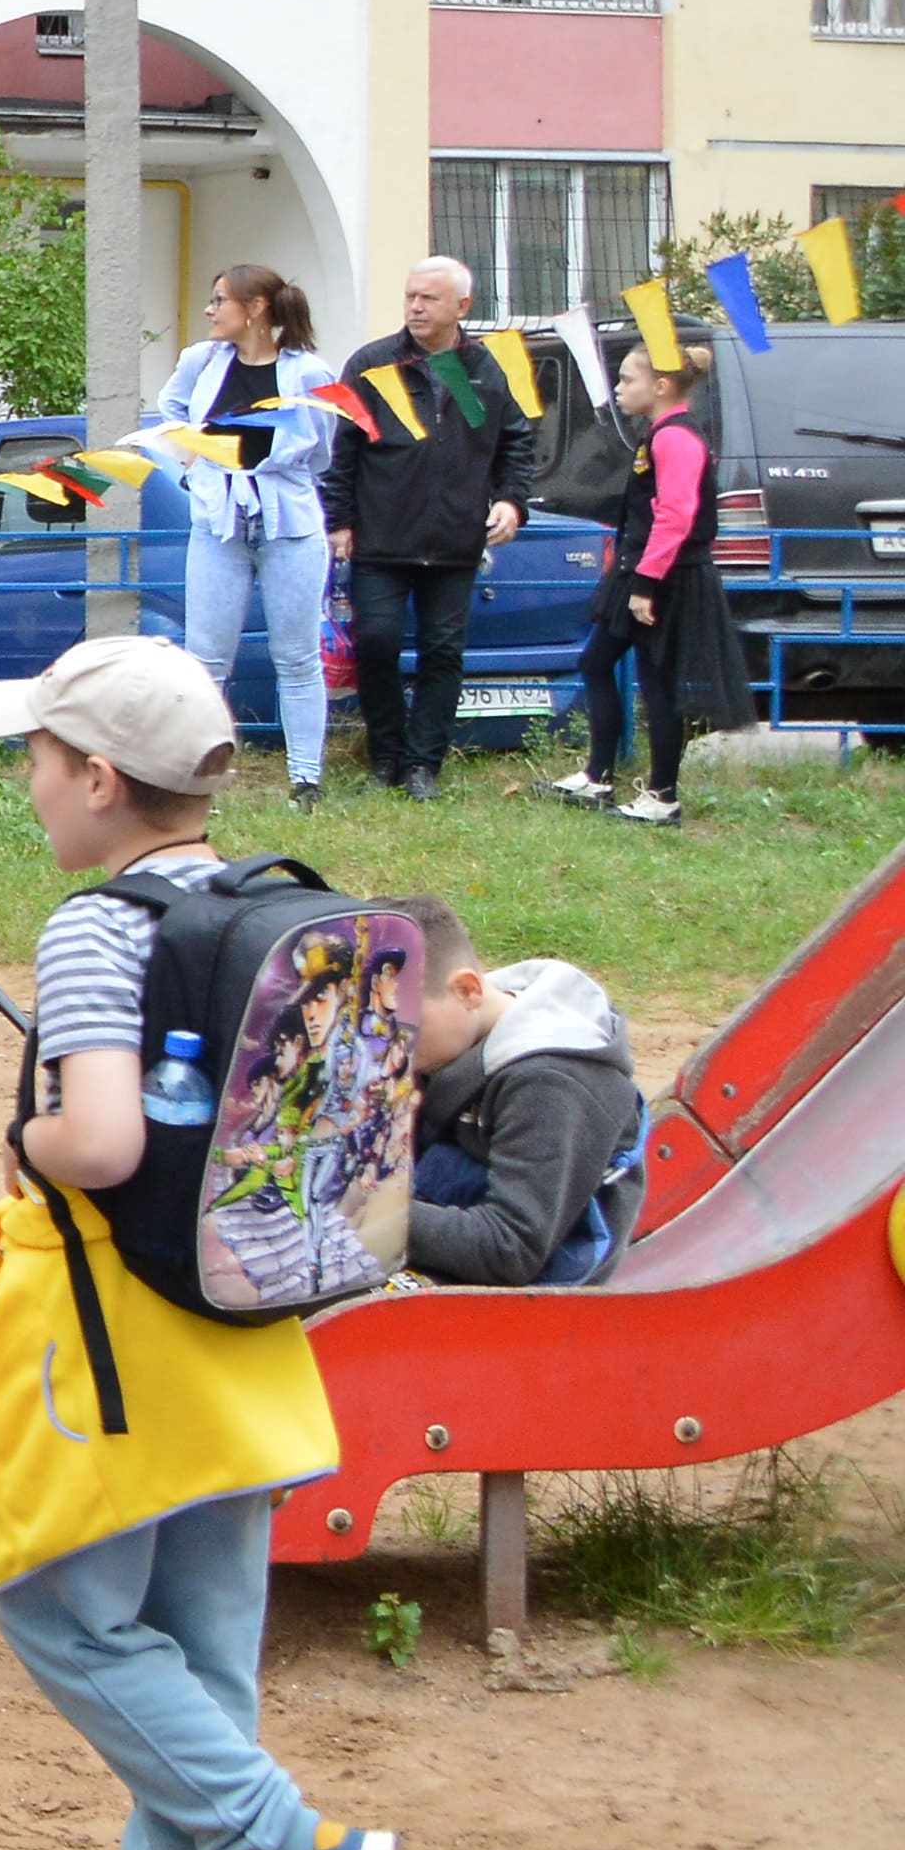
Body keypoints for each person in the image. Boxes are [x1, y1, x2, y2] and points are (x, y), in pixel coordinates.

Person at [0, 635, 397, 1850]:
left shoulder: (98, 929)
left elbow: (100, 1140)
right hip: (256, 1339)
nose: (25, 782)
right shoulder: (284, 912)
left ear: (94, 777)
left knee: (53, 1604)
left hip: (117, 1346)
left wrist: (21, 1135)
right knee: (206, 1641)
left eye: (33, 759)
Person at [321, 258, 535, 800]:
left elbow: (512, 442)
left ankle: (424, 766)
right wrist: (339, 520)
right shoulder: (374, 365)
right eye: (411, 296)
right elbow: (343, 449)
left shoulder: (478, 369)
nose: (415, 307)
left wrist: (511, 501)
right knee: (377, 643)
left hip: (453, 541)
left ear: (462, 307)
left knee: (443, 653)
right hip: (381, 538)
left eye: (429, 299)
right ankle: (386, 758)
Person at [144, 265, 344, 810]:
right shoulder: (201, 360)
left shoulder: (308, 372)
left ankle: (305, 779)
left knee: (297, 655)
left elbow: (322, 448)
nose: (209, 311)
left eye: (219, 301)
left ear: (255, 308)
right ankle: (199, 770)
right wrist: (201, 459)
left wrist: (277, 471)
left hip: (290, 523)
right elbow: (173, 411)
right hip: (217, 520)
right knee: (206, 658)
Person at [393, 895, 645, 1287]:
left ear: (468, 990)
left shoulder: (551, 1084)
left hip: (540, 1281)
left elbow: (511, 1249)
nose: (388, 1045)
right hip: (454, 1212)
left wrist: (368, 1217)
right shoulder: (448, 1035)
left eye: (405, 1024)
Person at [547, 341, 736, 829]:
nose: (618, 388)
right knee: (595, 661)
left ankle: (663, 795)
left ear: (661, 386)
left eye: (627, 379)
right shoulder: (657, 434)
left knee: (659, 685)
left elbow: (675, 516)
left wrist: (646, 584)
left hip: (665, 576)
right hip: (638, 567)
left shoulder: (675, 437)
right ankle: (598, 775)